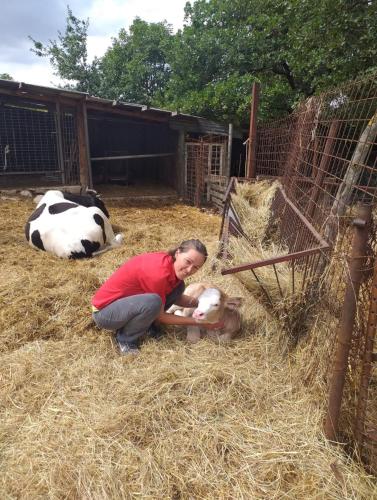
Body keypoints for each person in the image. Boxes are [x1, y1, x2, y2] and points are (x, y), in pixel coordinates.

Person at [91, 239, 224, 355]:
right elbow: (162, 316)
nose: (189, 270)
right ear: (178, 253)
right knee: (153, 302)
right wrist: (201, 322)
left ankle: (146, 324)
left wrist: (202, 304)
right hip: (104, 314)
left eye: (196, 267)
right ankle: (126, 339)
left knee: (178, 288)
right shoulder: (159, 274)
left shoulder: (170, 266)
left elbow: (176, 297)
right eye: (188, 261)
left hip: (125, 305)